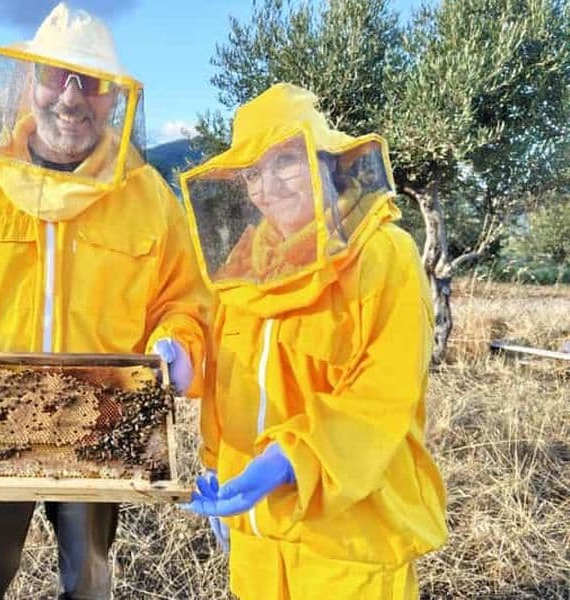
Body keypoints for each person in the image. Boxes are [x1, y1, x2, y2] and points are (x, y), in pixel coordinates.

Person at [0, 4, 208, 599]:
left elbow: (184, 298)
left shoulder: (148, 197)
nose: (71, 98)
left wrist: (177, 344)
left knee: (88, 584)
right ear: (29, 82)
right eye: (55, 76)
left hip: (102, 427)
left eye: (91, 82)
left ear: (113, 98)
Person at [179, 83, 448, 599]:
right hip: (257, 535)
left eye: (284, 161)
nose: (267, 187)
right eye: (252, 173)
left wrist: (292, 458)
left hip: (347, 539)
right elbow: (229, 383)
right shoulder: (245, 266)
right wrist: (217, 462)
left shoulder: (384, 255)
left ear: (326, 160)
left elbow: (383, 394)